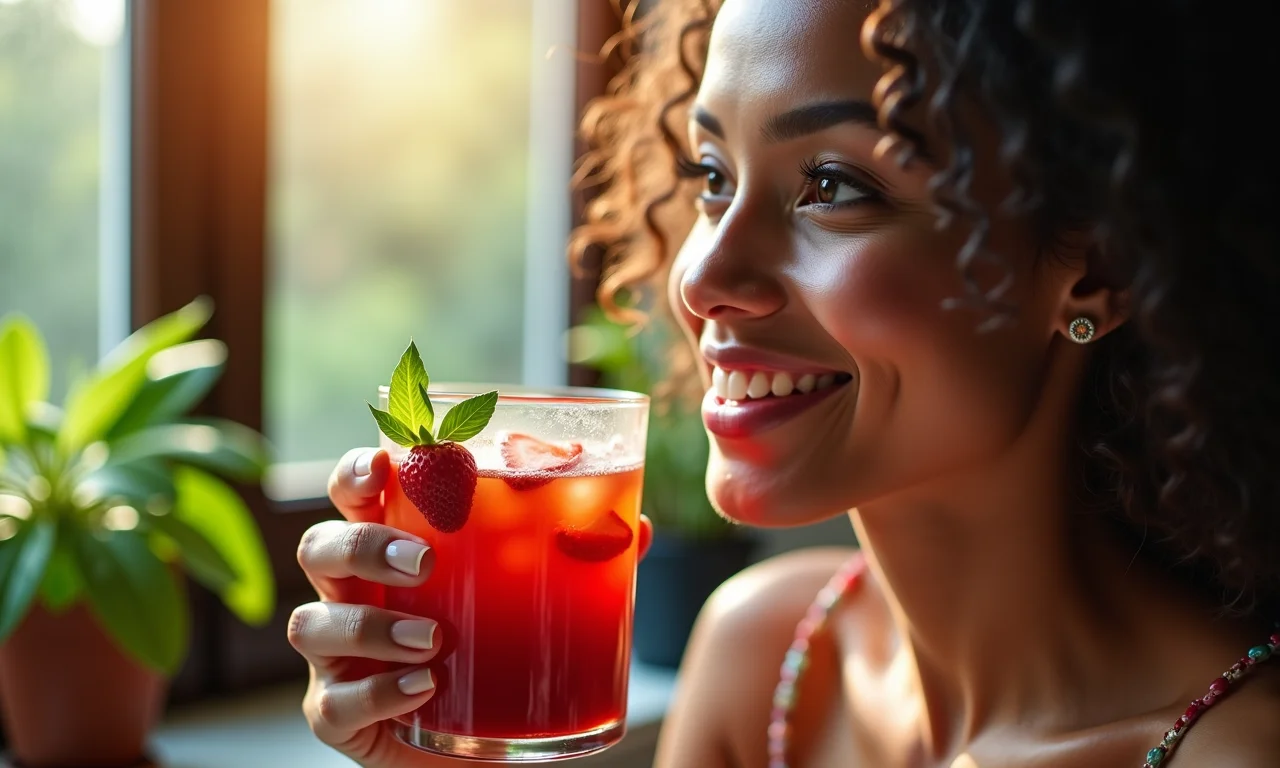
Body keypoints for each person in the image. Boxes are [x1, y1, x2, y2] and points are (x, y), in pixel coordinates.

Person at [287, 0, 1280, 765]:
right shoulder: (763, 662)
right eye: (712, 177)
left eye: (834, 187)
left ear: (1096, 265)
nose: (700, 277)